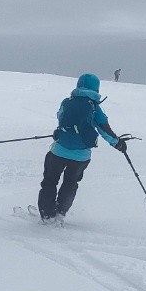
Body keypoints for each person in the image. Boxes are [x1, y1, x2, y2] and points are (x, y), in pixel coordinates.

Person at [39, 73, 124, 223]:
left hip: (59, 151)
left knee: (50, 181)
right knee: (71, 182)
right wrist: (117, 143)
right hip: (81, 156)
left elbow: (60, 118)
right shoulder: (95, 108)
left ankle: (47, 213)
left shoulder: (67, 102)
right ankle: (60, 213)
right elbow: (104, 129)